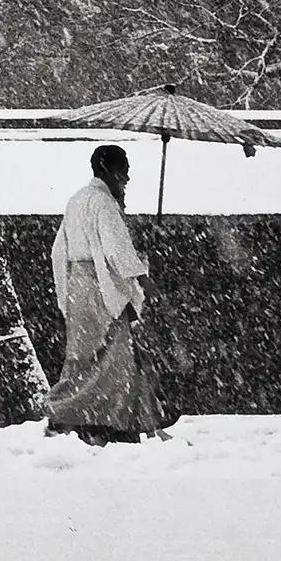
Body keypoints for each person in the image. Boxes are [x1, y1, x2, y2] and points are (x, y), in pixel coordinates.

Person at [42, 144, 175, 445]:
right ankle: (106, 418)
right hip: (102, 289)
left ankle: (107, 417)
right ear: (112, 171)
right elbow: (116, 250)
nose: (126, 179)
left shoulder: (77, 200)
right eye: (124, 172)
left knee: (84, 359)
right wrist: (142, 276)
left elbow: (58, 250)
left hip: (78, 286)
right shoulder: (103, 203)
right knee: (116, 358)